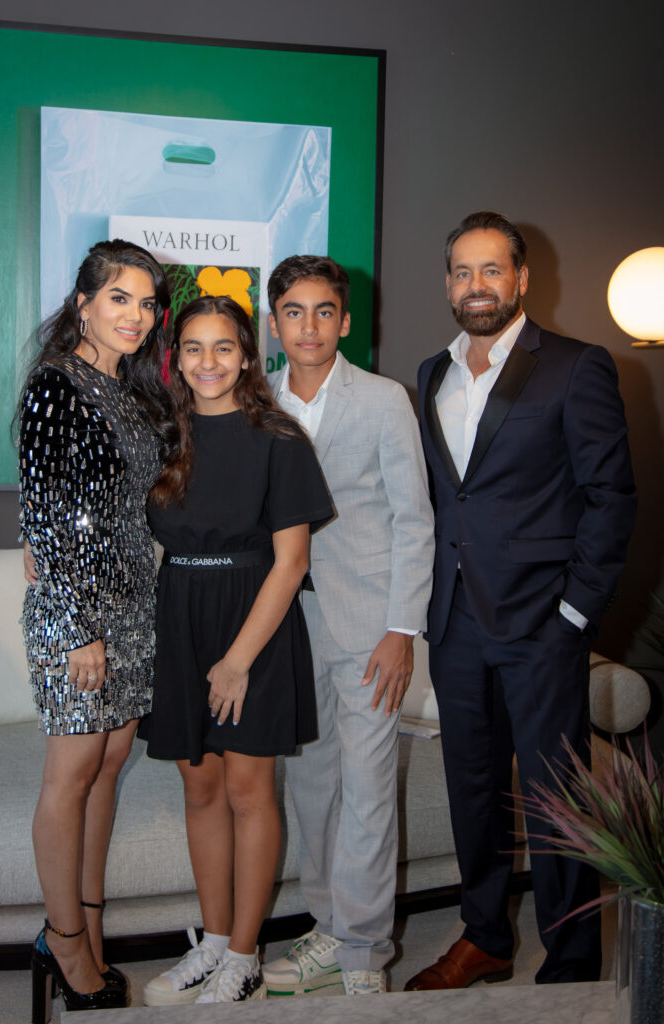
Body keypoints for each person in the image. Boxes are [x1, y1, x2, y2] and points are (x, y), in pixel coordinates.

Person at [406, 211, 637, 991]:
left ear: (522, 279)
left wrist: (577, 610)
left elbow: (612, 497)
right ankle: (484, 939)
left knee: (554, 793)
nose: (477, 286)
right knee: (471, 786)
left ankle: (571, 957)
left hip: (544, 622)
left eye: (491, 270)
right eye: (462, 272)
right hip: (455, 619)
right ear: (447, 284)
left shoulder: (576, 366)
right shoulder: (430, 373)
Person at [139, 295, 333, 1006]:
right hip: (180, 617)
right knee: (200, 787)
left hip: (253, 621)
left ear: (249, 355)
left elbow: (290, 563)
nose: (208, 362)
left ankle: (246, 956)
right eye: (193, 347)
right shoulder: (164, 438)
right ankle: (214, 943)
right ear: (176, 358)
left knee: (250, 791)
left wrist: (237, 659)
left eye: (224, 347)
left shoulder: (278, 438)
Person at [261, 256, 435, 996]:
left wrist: (403, 629)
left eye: (324, 311)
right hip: (285, 628)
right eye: (294, 312)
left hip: (370, 627)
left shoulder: (384, 399)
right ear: (274, 322)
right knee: (310, 785)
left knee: (367, 785)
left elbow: (414, 520)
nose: (309, 325)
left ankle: (364, 954)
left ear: (347, 320)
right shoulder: (253, 402)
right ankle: (328, 925)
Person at [19, 239, 175, 1019]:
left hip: (131, 605)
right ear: (83, 303)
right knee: (71, 775)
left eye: (147, 303)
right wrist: (78, 628)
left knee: (110, 763)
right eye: (120, 298)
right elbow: (47, 510)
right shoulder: (57, 384)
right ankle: (62, 939)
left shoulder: (133, 391)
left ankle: (90, 922)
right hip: (77, 614)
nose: (136, 316)